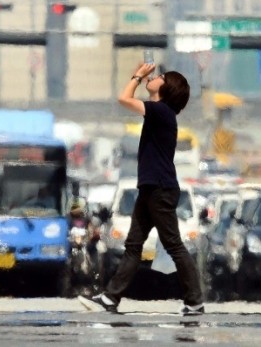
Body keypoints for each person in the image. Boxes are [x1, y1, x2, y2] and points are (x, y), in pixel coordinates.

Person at [78, 61, 204, 316]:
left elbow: (123, 98)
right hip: (151, 188)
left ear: (166, 89)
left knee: (174, 245)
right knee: (134, 245)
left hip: (160, 188)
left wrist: (137, 75)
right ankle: (111, 298)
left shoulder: (161, 111)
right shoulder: (160, 112)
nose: (154, 77)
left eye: (160, 77)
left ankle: (195, 301)